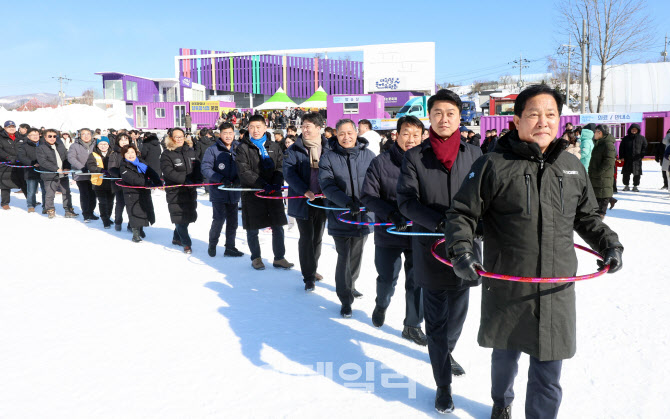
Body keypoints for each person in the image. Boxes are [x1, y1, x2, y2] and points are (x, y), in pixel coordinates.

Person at [443, 85, 623, 419]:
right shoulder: (492, 164)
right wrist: (461, 250)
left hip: (556, 285)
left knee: (549, 369)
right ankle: (501, 401)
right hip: (509, 283)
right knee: (505, 357)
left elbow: (585, 217)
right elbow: (462, 214)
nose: (543, 122)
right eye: (534, 114)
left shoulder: (571, 167)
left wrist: (609, 243)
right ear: (516, 120)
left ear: (559, 119)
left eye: (551, 114)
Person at [396, 89, 483, 414]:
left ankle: (444, 352)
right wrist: (440, 222)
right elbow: (406, 201)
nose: (444, 119)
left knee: (457, 318)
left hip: (466, 250)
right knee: (435, 322)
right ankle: (443, 386)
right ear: (428, 118)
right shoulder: (415, 157)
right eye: (437, 113)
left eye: (450, 113)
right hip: (430, 248)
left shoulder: (475, 155)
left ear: (460, 117)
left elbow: (486, 197)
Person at [360, 115, 426, 345]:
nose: (411, 139)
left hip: (419, 233)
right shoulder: (381, 162)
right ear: (396, 135)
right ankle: (382, 303)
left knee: (418, 281)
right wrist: (391, 213)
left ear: (423, 136)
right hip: (389, 232)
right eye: (406, 133)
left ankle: (413, 325)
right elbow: (368, 195)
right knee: (388, 278)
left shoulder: (428, 161)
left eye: (416, 135)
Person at [319, 118, 375, 317]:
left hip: (364, 215)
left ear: (356, 133)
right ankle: (345, 298)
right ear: (336, 134)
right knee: (344, 255)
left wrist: (372, 201)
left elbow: (376, 182)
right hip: (340, 215)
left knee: (357, 254)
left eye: (350, 133)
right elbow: (327, 185)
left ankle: (351, 285)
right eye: (341, 133)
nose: (346, 137)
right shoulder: (328, 157)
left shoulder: (368, 155)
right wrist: (346, 202)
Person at [236, 114, 294, 270]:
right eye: (252, 127)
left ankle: (279, 257)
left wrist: (276, 182)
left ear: (265, 127)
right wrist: (262, 184)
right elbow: (244, 171)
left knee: (277, 226)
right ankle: (256, 257)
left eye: (258, 127)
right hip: (252, 192)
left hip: (273, 192)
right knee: (252, 227)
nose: (255, 130)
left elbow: (281, 167)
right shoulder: (242, 148)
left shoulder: (274, 147)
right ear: (248, 128)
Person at [283, 113, 328, 291]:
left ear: (319, 127)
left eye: (309, 126)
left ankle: (313, 268)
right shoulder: (294, 149)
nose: (305, 129)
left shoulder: (328, 147)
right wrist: (305, 190)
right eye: (303, 126)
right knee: (306, 237)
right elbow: (289, 173)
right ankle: (308, 276)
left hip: (323, 201)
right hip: (303, 200)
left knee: (317, 238)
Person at [201, 122, 244, 258]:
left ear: (234, 134)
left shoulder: (239, 148)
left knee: (233, 222)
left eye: (230, 133)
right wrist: (220, 178)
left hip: (234, 191)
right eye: (225, 133)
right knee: (218, 220)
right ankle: (212, 244)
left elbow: (244, 166)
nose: (228, 136)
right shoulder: (212, 150)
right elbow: (205, 168)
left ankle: (230, 247)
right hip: (219, 191)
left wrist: (240, 178)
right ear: (220, 134)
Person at [161, 128, 202, 254]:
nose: (179, 139)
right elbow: (168, 172)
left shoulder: (190, 151)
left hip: (189, 190)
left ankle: (176, 237)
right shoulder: (167, 154)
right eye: (176, 137)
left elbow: (197, 167)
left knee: (187, 217)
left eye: (181, 136)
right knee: (179, 218)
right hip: (175, 192)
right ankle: (186, 243)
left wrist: (198, 179)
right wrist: (184, 179)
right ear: (171, 138)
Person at [119, 144, 162, 242]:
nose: (130, 155)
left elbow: (150, 172)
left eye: (132, 152)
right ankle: (135, 234)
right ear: (123, 155)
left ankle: (141, 229)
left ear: (136, 153)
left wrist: (158, 182)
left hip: (144, 191)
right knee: (134, 213)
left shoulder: (141, 162)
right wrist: (148, 183)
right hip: (131, 193)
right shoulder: (124, 166)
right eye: (127, 153)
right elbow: (133, 179)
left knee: (144, 211)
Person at [37, 128, 78, 219]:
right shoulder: (41, 148)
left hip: (63, 174)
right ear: (45, 137)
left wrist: (67, 167)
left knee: (66, 192)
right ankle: (50, 210)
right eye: (50, 136)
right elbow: (43, 162)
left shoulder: (60, 146)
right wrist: (56, 168)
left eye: (54, 136)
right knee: (50, 193)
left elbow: (66, 158)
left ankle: (68, 210)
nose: (52, 138)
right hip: (50, 175)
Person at [68, 128, 98, 222]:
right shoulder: (74, 146)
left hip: (94, 174)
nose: (86, 136)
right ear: (79, 135)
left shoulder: (96, 144)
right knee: (84, 194)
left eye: (88, 134)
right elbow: (71, 158)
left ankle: (91, 212)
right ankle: (86, 214)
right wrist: (81, 167)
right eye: (83, 134)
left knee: (93, 194)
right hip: (81, 174)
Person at [86, 137, 115, 228]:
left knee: (110, 202)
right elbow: (91, 166)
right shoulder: (93, 155)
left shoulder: (113, 154)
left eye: (105, 144)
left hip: (111, 183)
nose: (103, 146)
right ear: (97, 145)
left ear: (108, 145)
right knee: (102, 202)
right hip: (98, 183)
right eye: (101, 144)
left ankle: (108, 216)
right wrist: (101, 170)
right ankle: (105, 220)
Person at [588, 125, 617, 217]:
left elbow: (609, 162)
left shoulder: (608, 144)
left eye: (595, 132)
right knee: (596, 203)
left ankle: (598, 225)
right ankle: (610, 199)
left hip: (602, 178)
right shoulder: (599, 143)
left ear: (599, 132)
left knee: (600, 211)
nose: (594, 134)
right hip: (597, 178)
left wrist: (598, 172)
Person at [17, 128, 46, 213]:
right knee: (31, 191)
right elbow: (21, 157)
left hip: (43, 170)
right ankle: (30, 205)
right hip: (30, 171)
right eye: (33, 135)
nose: (35, 136)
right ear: (28, 136)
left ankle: (45, 206)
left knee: (45, 190)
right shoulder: (24, 146)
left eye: (37, 135)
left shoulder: (44, 144)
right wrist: (32, 163)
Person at [0, 120, 27, 210]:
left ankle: (31, 201)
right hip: (6, 164)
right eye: (9, 127)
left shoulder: (21, 137)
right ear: (5, 128)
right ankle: (5, 203)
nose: (11, 128)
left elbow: (25, 149)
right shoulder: (1, 137)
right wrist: (8, 157)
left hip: (19, 163)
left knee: (24, 182)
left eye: (13, 127)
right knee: (5, 184)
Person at [108, 134, 131, 231]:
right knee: (120, 203)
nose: (124, 142)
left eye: (126, 140)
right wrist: (123, 175)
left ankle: (132, 224)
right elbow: (111, 169)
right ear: (118, 141)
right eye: (121, 140)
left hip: (132, 183)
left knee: (132, 204)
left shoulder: (133, 152)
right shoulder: (115, 153)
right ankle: (118, 221)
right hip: (119, 182)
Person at [620, 123, 648, 192]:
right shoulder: (625, 138)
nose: (634, 130)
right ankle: (626, 185)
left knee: (637, 173)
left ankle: (635, 186)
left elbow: (645, 147)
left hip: (637, 159)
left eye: (635, 129)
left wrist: (642, 155)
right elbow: (621, 148)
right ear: (630, 130)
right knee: (626, 173)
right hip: (627, 159)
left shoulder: (642, 138)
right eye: (633, 129)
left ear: (638, 130)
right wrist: (622, 156)